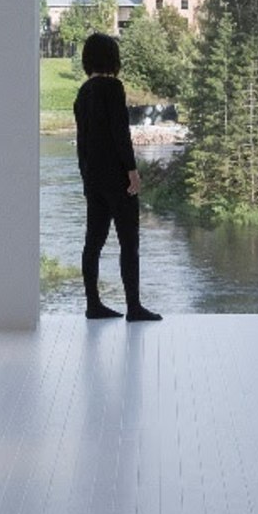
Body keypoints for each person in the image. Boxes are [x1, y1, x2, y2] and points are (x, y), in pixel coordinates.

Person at [72, 31, 159, 321]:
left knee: (93, 242)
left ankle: (93, 304)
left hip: (93, 177)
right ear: (113, 58)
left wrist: (85, 175)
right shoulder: (113, 87)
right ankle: (133, 306)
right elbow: (120, 134)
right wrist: (132, 171)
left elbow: (82, 142)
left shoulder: (83, 92)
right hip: (116, 177)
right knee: (128, 242)